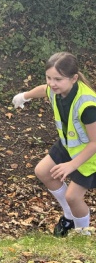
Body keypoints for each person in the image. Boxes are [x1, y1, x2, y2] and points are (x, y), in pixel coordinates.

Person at [12, 52, 96, 237]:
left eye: (57, 79)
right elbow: (44, 89)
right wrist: (25, 96)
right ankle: (69, 216)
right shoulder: (56, 89)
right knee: (43, 171)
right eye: (48, 77)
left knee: (73, 197)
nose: (52, 83)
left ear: (74, 78)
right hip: (69, 144)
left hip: (90, 156)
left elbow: (95, 142)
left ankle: (82, 234)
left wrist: (71, 165)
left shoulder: (88, 106)